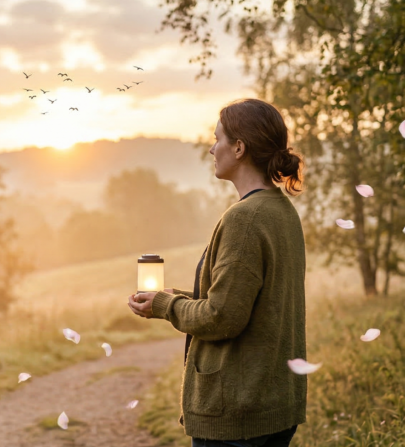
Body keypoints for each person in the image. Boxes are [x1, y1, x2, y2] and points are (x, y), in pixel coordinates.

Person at [128, 98, 306, 447]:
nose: (211, 149)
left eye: (217, 139)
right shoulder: (282, 211)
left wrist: (165, 306)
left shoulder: (244, 219)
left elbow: (222, 317)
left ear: (239, 148)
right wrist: (173, 297)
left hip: (238, 413)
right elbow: (243, 299)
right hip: (273, 404)